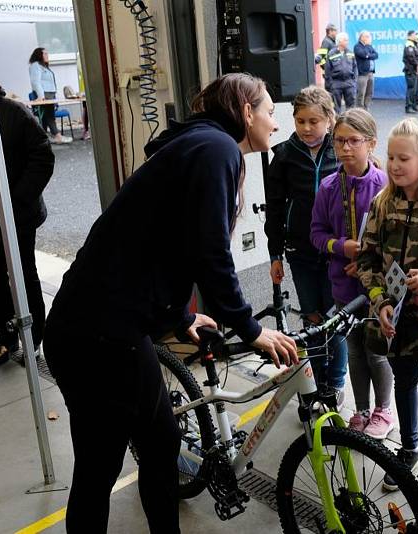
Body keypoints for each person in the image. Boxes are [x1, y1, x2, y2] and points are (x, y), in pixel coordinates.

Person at [43, 73, 299, 532]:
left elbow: (162, 244)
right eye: (269, 112)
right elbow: (209, 251)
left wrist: (180, 317)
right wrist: (251, 329)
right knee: (119, 462)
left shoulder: (197, 145)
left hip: (90, 324)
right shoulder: (217, 150)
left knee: (145, 452)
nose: (274, 124)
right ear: (245, 111)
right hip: (102, 334)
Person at [357, 118, 418, 490]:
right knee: (402, 381)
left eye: (404, 158)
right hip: (393, 323)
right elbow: (366, 261)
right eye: (391, 157)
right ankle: (409, 448)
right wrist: (380, 300)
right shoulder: (382, 204)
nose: (395, 165)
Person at [310, 109, 394, 439]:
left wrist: (368, 258)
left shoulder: (385, 186)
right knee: (355, 351)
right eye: (339, 141)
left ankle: (383, 409)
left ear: (371, 144)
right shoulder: (329, 186)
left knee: (377, 351)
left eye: (353, 141)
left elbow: (394, 238)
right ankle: (360, 410)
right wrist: (342, 246)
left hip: (377, 286)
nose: (345, 148)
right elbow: (316, 233)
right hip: (343, 284)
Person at [264, 85, 348, 403]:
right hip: (300, 252)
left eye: (314, 121)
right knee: (311, 319)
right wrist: (275, 254)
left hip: (335, 253)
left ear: (329, 119)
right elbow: (274, 209)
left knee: (334, 319)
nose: (306, 128)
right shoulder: (284, 156)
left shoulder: (341, 151)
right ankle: (315, 384)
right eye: (300, 121)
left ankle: (335, 384)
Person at [0, 83, 54, 366]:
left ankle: (34, 340)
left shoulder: (13, 113)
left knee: (24, 274)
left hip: (18, 214)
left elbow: (44, 156)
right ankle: (5, 337)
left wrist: (16, 200)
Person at [28, 47, 71, 144]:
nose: (47, 56)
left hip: (50, 94)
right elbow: (35, 82)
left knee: (45, 116)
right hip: (44, 94)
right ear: (39, 55)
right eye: (45, 54)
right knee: (49, 116)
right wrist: (41, 95)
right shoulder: (35, 65)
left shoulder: (43, 66)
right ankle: (57, 136)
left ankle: (44, 137)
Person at [326, 32, 358, 114]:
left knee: (351, 107)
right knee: (336, 108)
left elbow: (355, 67)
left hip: (349, 82)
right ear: (339, 41)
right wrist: (331, 84)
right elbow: (328, 71)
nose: (347, 42)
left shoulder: (350, 53)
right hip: (336, 83)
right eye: (345, 40)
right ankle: (337, 124)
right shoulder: (331, 53)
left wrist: (354, 81)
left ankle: (350, 123)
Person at [353, 31, 378, 110]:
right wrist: (368, 55)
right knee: (361, 93)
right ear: (362, 37)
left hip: (370, 73)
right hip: (362, 74)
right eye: (367, 36)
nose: (369, 38)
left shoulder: (369, 46)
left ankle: (366, 108)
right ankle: (359, 109)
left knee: (369, 92)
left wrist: (368, 55)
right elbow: (363, 54)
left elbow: (376, 55)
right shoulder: (357, 46)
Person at [315, 23, 338, 91]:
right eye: (335, 30)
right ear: (330, 31)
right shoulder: (326, 42)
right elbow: (320, 58)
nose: (336, 32)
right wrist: (327, 68)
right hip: (330, 74)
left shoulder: (332, 42)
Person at [403, 31, 418, 114]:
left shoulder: (413, 44)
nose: (416, 36)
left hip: (414, 69)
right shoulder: (409, 44)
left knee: (414, 88)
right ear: (410, 36)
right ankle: (409, 107)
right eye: (414, 35)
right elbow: (411, 57)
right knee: (411, 88)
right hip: (410, 70)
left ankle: (414, 105)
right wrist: (417, 65)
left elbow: (417, 56)